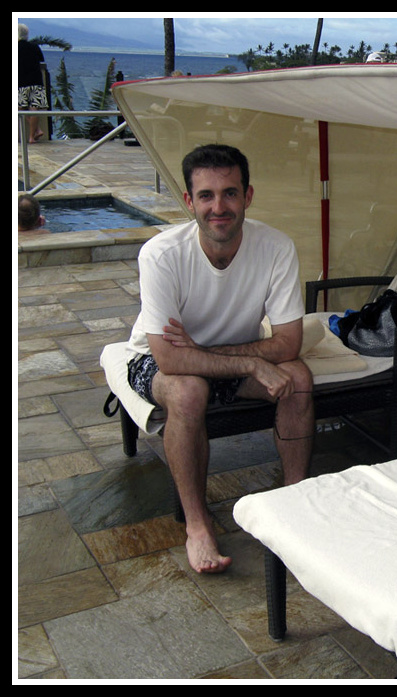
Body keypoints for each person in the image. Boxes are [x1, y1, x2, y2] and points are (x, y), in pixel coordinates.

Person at [125, 144, 314, 574]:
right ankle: (197, 524)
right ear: (189, 201)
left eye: (230, 193)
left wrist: (209, 353)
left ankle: (295, 502)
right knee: (190, 391)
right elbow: (169, 360)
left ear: (248, 196)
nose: (219, 207)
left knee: (298, 378)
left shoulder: (276, 247)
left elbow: (288, 343)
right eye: (206, 195)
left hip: (224, 354)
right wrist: (249, 362)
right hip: (154, 362)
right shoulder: (162, 255)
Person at [18, 24, 47, 144]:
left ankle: (25, 136)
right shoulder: (34, 46)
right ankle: (32, 136)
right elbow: (41, 59)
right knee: (34, 108)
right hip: (36, 81)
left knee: (20, 111)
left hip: (21, 82)